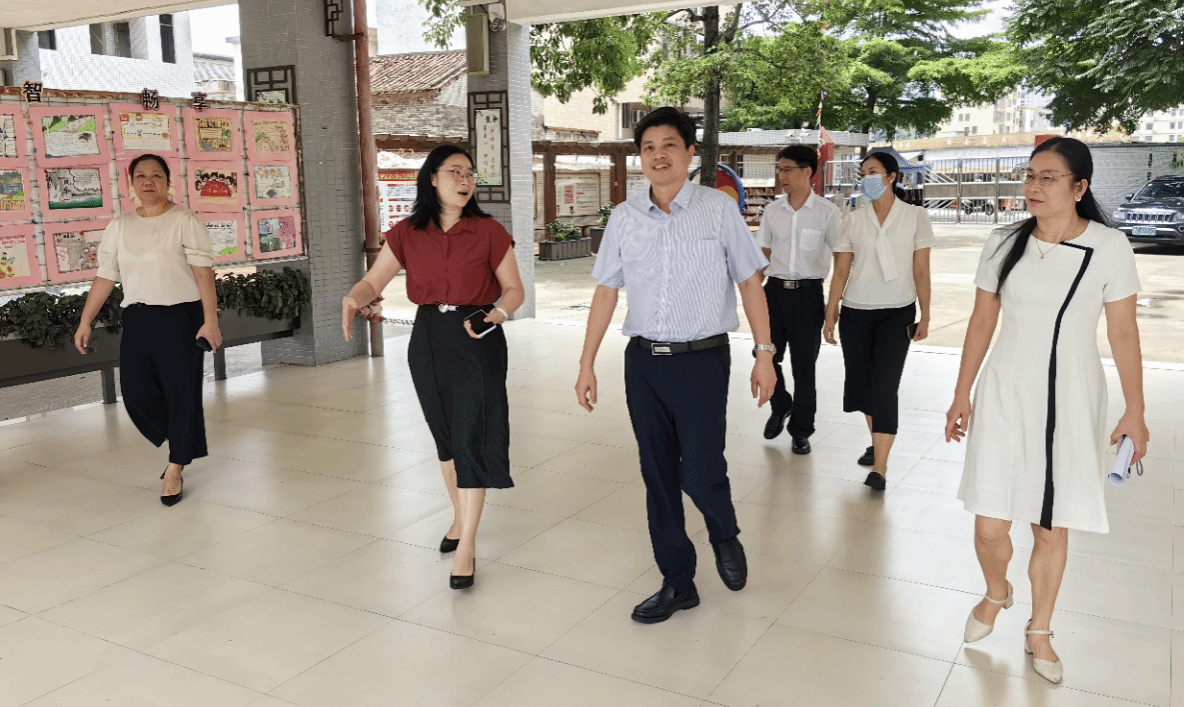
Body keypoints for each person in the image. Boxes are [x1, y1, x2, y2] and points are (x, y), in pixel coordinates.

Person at [944, 137, 1148, 684]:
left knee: (1050, 525)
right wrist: (962, 393)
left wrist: (1135, 411)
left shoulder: (1109, 246)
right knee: (990, 524)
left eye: (1048, 177)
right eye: (1030, 175)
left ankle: (1040, 630)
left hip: (1071, 397)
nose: (1033, 186)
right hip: (1005, 390)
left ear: (1080, 187)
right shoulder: (1003, 241)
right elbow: (981, 322)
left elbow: (1124, 332)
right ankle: (997, 591)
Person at [575, 107, 777, 624]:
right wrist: (586, 362)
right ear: (639, 157)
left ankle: (723, 531)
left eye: (669, 144)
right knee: (658, 474)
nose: (658, 155)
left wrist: (764, 353)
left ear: (690, 153)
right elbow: (606, 290)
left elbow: (749, 281)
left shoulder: (718, 209)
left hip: (702, 359)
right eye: (648, 147)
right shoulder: (624, 217)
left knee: (702, 468)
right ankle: (678, 581)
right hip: (643, 363)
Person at [342, 145, 524, 591]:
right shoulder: (407, 233)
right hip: (427, 339)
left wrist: (495, 316)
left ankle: (467, 546)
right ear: (432, 178)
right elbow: (374, 280)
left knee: (471, 436)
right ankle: (460, 519)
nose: (465, 180)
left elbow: (514, 290)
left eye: (470, 174)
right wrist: (353, 297)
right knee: (445, 437)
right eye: (455, 171)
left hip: (476, 335)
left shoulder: (489, 231)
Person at [73, 154, 220, 507]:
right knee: (136, 393)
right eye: (140, 176)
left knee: (181, 394)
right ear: (131, 183)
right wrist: (85, 321)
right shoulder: (120, 226)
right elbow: (106, 276)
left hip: (180, 317)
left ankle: (175, 466)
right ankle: (181, 439)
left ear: (168, 182)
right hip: (138, 318)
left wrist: (210, 320)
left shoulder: (184, 220)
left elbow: (203, 274)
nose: (148, 181)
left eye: (156, 175)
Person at [823, 151, 933, 491]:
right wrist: (831, 310)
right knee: (862, 386)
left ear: (891, 176)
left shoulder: (915, 217)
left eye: (873, 171)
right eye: (863, 173)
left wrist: (926, 313)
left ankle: (880, 469)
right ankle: (877, 441)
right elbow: (841, 270)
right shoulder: (853, 219)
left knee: (884, 387)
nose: (866, 178)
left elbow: (921, 270)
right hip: (856, 312)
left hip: (897, 311)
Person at [756, 145, 841, 454]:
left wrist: (833, 307)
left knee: (804, 367)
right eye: (780, 170)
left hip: (808, 296)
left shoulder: (827, 213)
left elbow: (843, 260)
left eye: (788, 169)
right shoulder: (772, 211)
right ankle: (781, 404)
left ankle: (801, 430)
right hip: (773, 293)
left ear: (808, 172)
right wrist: (752, 293)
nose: (782, 176)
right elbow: (763, 254)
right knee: (767, 355)